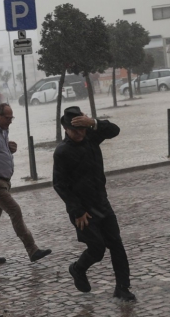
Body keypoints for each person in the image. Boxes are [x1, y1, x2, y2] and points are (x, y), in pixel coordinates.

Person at [52, 106, 135, 301]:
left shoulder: (91, 137)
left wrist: (93, 123)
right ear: (65, 129)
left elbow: (114, 130)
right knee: (97, 249)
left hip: (102, 203)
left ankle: (122, 287)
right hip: (82, 211)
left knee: (116, 244)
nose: (80, 133)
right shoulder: (62, 152)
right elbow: (59, 185)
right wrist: (77, 210)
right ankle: (78, 268)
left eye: (82, 128)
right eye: (75, 130)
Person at [0, 103, 52, 265]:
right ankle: (32, 249)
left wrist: (8, 148)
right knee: (15, 210)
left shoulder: (3, 130)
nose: (10, 121)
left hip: (3, 181)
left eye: (11, 118)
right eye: (7, 118)